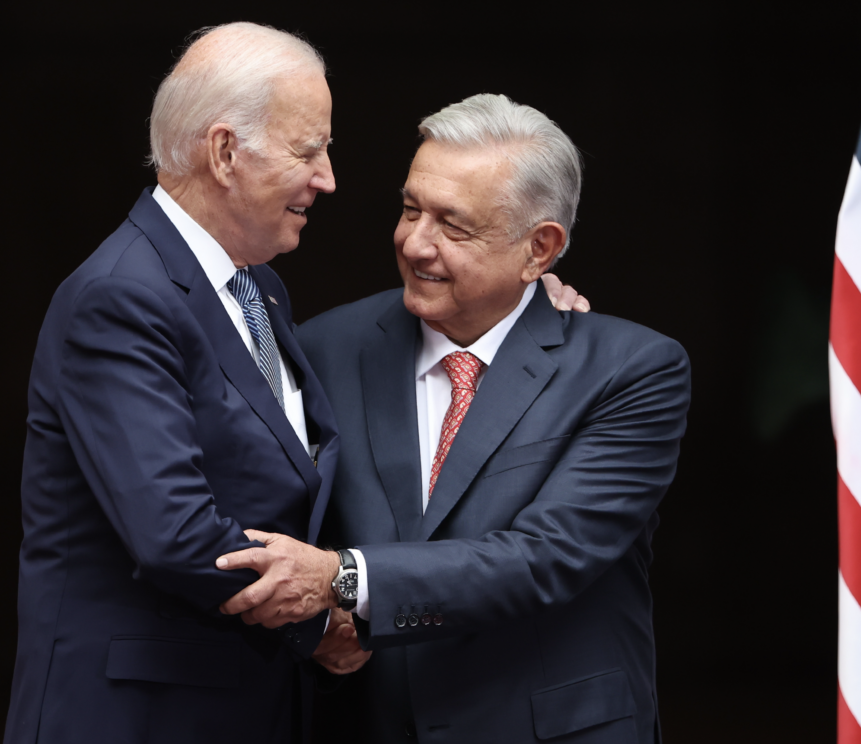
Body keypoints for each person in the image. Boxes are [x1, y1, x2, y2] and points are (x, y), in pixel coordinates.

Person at [217, 94, 691, 743]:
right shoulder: (324, 348)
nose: (415, 243)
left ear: (540, 248)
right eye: (411, 209)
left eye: (454, 226)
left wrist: (343, 579)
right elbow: (273, 517)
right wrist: (317, 626)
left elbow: (546, 556)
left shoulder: (630, 369)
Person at [2, 22, 345, 744]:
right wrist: (321, 618)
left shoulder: (261, 289)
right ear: (225, 152)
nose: (327, 178)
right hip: (137, 719)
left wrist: (523, 304)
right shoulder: (120, 296)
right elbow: (175, 532)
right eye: (308, 150)